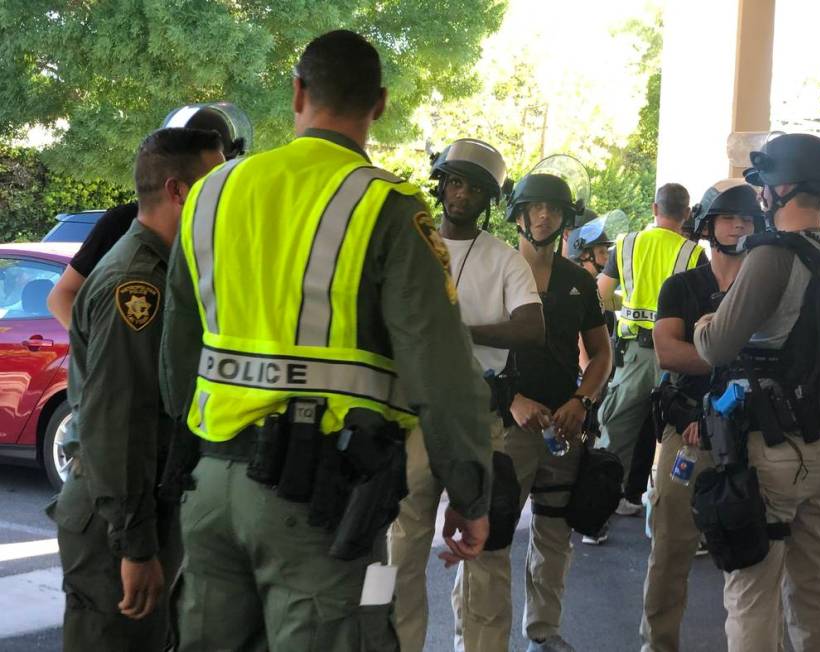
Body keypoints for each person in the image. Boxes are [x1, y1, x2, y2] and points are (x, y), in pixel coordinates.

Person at [159, 30, 493, 651]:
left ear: (297, 92)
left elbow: (178, 354)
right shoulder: (388, 206)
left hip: (209, 490)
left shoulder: (213, 192)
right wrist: (471, 493)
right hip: (316, 506)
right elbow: (441, 372)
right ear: (381, 104)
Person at [47, 128, 225, 652]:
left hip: (138, 509)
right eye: (213, 184)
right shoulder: (136, 283)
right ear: (177, 192)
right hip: (116, 522)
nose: (223, 198)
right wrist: (135, 547)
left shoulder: (166, 269)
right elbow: (117, 422)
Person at [694, 133, 820, 652]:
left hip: (774, 453)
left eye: (765, 185)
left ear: (782, 185)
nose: (761, 196)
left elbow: (716, 346)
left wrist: (706, 320)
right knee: (816, 586)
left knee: (752, 592)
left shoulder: (772, 255)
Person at [388, 138, 544, 652]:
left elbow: (531, 327)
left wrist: (460, 330)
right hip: (409, 414)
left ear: (489, 200)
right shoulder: (407, 243)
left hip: (480, 417)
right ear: (441, 184)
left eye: (475, 189)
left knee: (488, 550)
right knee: (398, 551)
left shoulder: (503, 260)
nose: (462, 195)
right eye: (455, 182)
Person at [453, 158, 612, 652]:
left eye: (553, 209)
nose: (543, 217)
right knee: (492, 534)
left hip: (563, 427)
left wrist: (582, 400)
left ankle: (543, 630)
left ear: (566, 218)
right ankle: (476, 639)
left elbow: (601, 352)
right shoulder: (495, 269)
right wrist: (513, 398)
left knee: (554, 532)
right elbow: (465, 349)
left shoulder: (579, 281)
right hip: (504, 422)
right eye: (534, 207)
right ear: (517, 214)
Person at [640, 179, 761, 652]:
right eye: (730, 217)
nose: (739, 225)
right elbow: (667, 352)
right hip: (687, 429)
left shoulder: (764, 286)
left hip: (752, 432)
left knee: (754, 552)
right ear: (708, 224)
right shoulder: (683, 285)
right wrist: (727, 367)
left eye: (748, 218)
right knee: (671, 548)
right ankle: (658, 643)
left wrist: (709, 353)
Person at [46, 102, 252, 329]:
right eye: (211, 178)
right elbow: (62, 296)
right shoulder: (122, 224)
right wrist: (95, 347)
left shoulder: (231, 229)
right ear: (176, 185)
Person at [596, 184, 707, 515]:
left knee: (617, 431)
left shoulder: (626, 245)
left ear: (654, 208)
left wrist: (626, 306)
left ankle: (598, 512)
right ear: (686, 213)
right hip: (676, 355)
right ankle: (673, 510)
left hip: (633, 355)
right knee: (677, 431)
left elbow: (601, 294)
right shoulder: (694, 254)